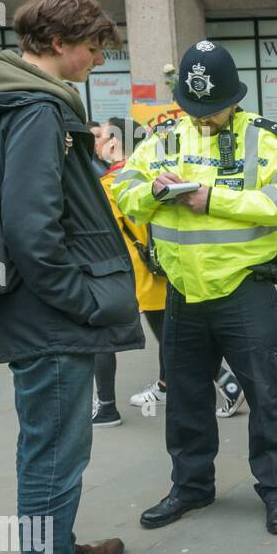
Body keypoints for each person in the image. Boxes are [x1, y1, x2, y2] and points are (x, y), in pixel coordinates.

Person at [0, 0, 146, 554]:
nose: (98, 57)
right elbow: (35, 230)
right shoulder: (37, 111)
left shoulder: (17, 100)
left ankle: (56, 553)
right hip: (51, 315)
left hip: (36, 310)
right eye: (93, 46)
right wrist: (83, 301)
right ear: (58, 43)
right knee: (53, 455)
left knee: (53, 447)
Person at [114, 40, 277, 536]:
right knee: (184, 396)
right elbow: (124, 188)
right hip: (182, 290)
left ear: (235, 97)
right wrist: (156, 193)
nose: (203, 118)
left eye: (213, 109)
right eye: (194, 108)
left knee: (264, 392)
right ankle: (191, 486)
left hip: (245, 289)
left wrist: (214, 200)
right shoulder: (163, 137)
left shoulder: (269, 139)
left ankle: (276, 492)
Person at [90, 116, 169, 427]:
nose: (96, 143)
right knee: (169, 335)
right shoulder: (157, 177)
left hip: (129, 275)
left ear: (114, 142)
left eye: (101, 137)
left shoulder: (110, 185)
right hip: (161, 268)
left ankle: (106, 407)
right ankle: (166, 387)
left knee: (102, 339)